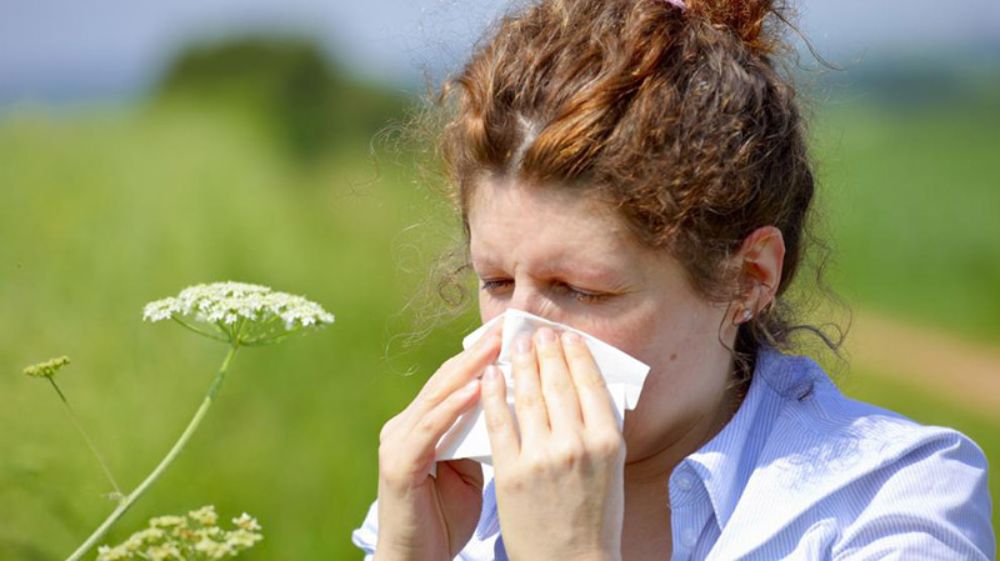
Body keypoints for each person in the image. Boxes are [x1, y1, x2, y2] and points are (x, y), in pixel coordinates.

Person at [353, 0, 995, 559]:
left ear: (749, 278)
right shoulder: (458, 497)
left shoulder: (891, 499)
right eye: (495, 281)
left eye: (582, 289)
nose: (518, 336)